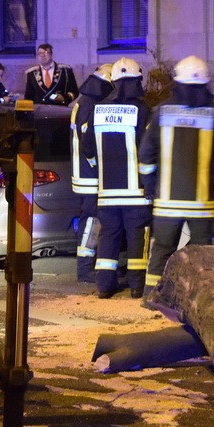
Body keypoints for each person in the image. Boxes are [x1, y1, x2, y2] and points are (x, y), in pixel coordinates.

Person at [138, 56, 214, 303]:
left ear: (176, 83)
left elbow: (146, 154)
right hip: (203, 204)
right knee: (203, 255)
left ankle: (152, 297)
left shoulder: (162, 112)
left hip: (167, 202)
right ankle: (199, 300)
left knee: (162, 250)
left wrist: (150, 186)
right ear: (206, 84)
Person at [83, 57, 152, 299]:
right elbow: (147, 151)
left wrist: (99, 171)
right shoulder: (142, 110)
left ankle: (104, 285)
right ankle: (136, 286)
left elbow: (88, 148)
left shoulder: (97, 109)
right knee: (136, 237)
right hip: (136, 193)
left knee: (108, 237)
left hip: (107, 193)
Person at [69, 63, 114, 284]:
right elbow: (88, 144)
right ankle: (84, 268)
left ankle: (87, 265)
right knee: (91, 219)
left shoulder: (82, 102)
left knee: (92, 218)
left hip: (84, 174)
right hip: (90, 175)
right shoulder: (90, 105)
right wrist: (98, 166)